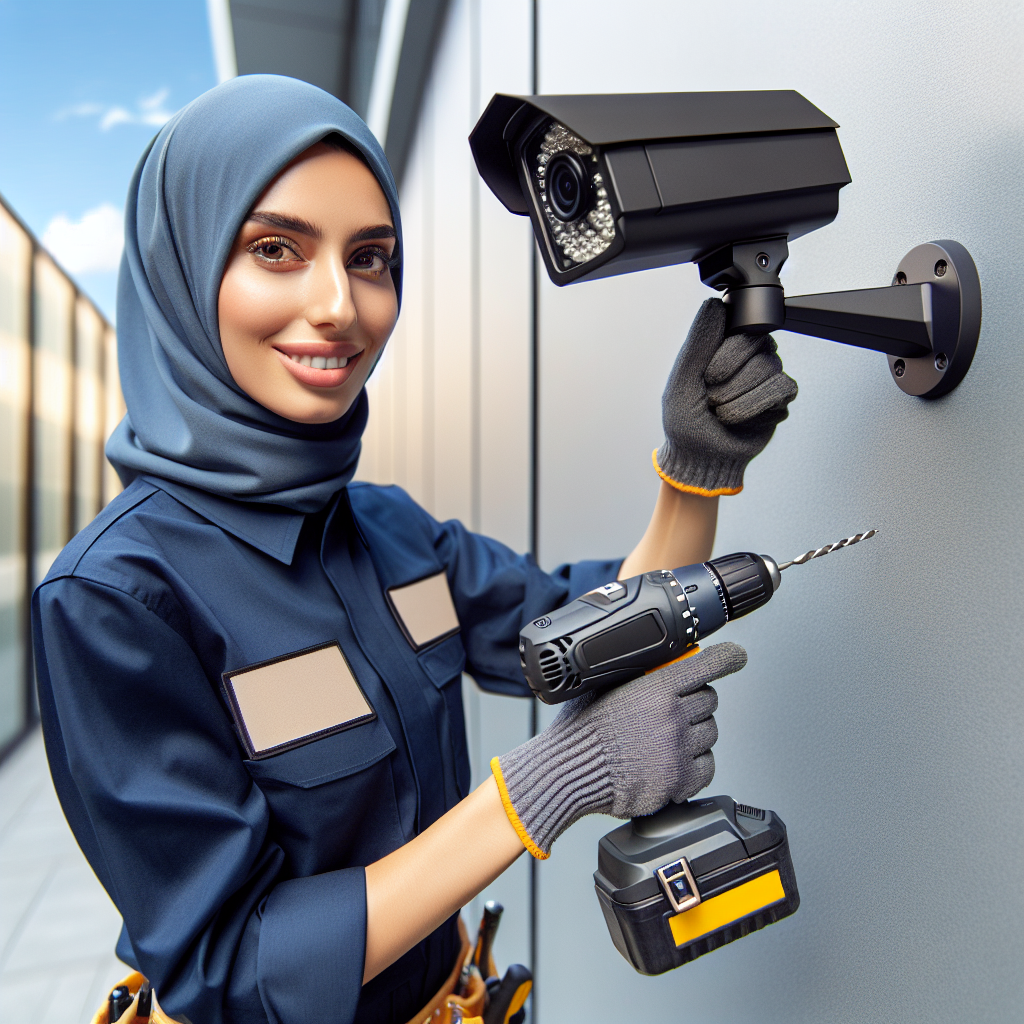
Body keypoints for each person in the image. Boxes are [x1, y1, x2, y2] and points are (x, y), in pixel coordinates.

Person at [31, 75, 797, 1024]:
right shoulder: (113, 597)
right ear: (182, 271)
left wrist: (692, 468)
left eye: (371, 258)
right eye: (277, 249)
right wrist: (538, 792)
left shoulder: (393, 532)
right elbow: (234, 967)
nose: (339, 307)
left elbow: (608, 626)